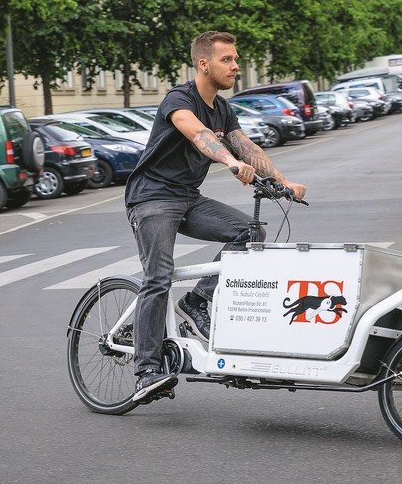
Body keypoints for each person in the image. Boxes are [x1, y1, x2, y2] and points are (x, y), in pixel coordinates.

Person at [125, 31, 307, 403]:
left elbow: (246, 146)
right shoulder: (179, 99)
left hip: (187, 199)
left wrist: (283, 181)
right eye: (228, 60)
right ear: (204, 64)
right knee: (158, 276)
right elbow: (198, 134)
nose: (236, 66)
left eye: (236, 59)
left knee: (250, 232)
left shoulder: (223, 107)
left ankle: (195, 301)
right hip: (152, 199)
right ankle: (146, 370)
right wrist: (228, 161)